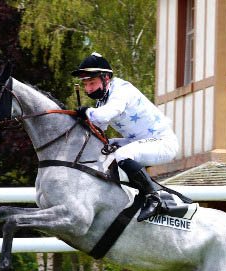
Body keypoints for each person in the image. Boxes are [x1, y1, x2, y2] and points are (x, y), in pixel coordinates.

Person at [71, 52, 179, 221]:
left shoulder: (121, 90)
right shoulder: (102, 100)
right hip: (139, 141)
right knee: (103, 146)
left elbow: (105, 115)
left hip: (163, 142)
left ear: (106, 78)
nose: (88, 89)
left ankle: (154, 198)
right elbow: (98, 128)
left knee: (122, 154)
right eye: (85, 85)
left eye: (92, 83)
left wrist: (87, 111)